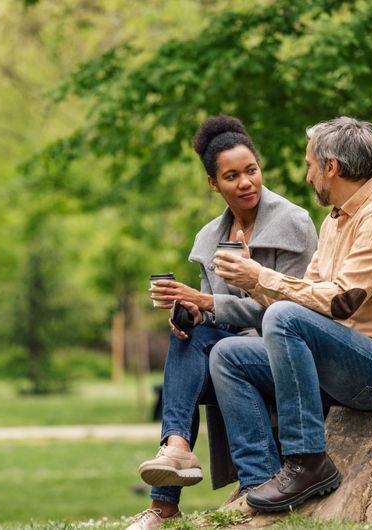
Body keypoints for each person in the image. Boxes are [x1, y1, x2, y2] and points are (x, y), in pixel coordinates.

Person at [209, 116, 372, 513]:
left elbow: (343, 301)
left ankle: (308, 462)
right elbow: (304, 299)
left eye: (310, 164)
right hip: (346, 363)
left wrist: (262, 275)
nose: (307, 174)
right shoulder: (335, 221)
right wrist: (252, 279)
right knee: (228, 355)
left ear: (332, 167)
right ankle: (259, 478)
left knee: (283, 319)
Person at [125, 115, 317, 530]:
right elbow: (216, 314)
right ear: (214, 184)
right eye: (232, 176)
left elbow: (296, 309)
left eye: (251, 170)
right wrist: (189, 309)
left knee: (214, 344)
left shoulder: (292, 223)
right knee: (188, 334)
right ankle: (170, 476)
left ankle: (178, 493)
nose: (246, 182)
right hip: (231, 356)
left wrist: (209, 303)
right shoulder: (211, 237)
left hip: (286, 353)